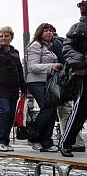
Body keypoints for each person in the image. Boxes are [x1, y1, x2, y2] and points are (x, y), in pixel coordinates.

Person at [0, 26, 27, 152]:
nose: (3, 38)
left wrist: (23, 89)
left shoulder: (15, 52)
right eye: (1, 36)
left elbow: (20, 70)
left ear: (11, 37)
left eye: (6, 36)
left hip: (13, 88)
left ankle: (6, 141)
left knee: (11, 115)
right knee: (5, 111)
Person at [58, 0, 87, 157]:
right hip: (84, 73)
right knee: (79, 109)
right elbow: (68, 48)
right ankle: (66, 142)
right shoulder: (77, 28)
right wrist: (80, 65)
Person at [26, 23, 61, 152]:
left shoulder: (50, 47)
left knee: (52, 111)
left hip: (48, 82)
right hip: (36, 82)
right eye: (46, 31)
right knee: (47, 108)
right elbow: (32, 67)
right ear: (40, 33)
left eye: (51, 31)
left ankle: (46, 141)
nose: (49, 33)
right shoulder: (36, 46)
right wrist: (51, 66)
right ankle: (33, 136)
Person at [51, 27, 85, 153]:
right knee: (74, 110)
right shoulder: (65, 39)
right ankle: (72, 142)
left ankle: (69, 142)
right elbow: (68, 53)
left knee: (69, 111)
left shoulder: (55, 43)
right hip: (74, 77)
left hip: (63, 80)